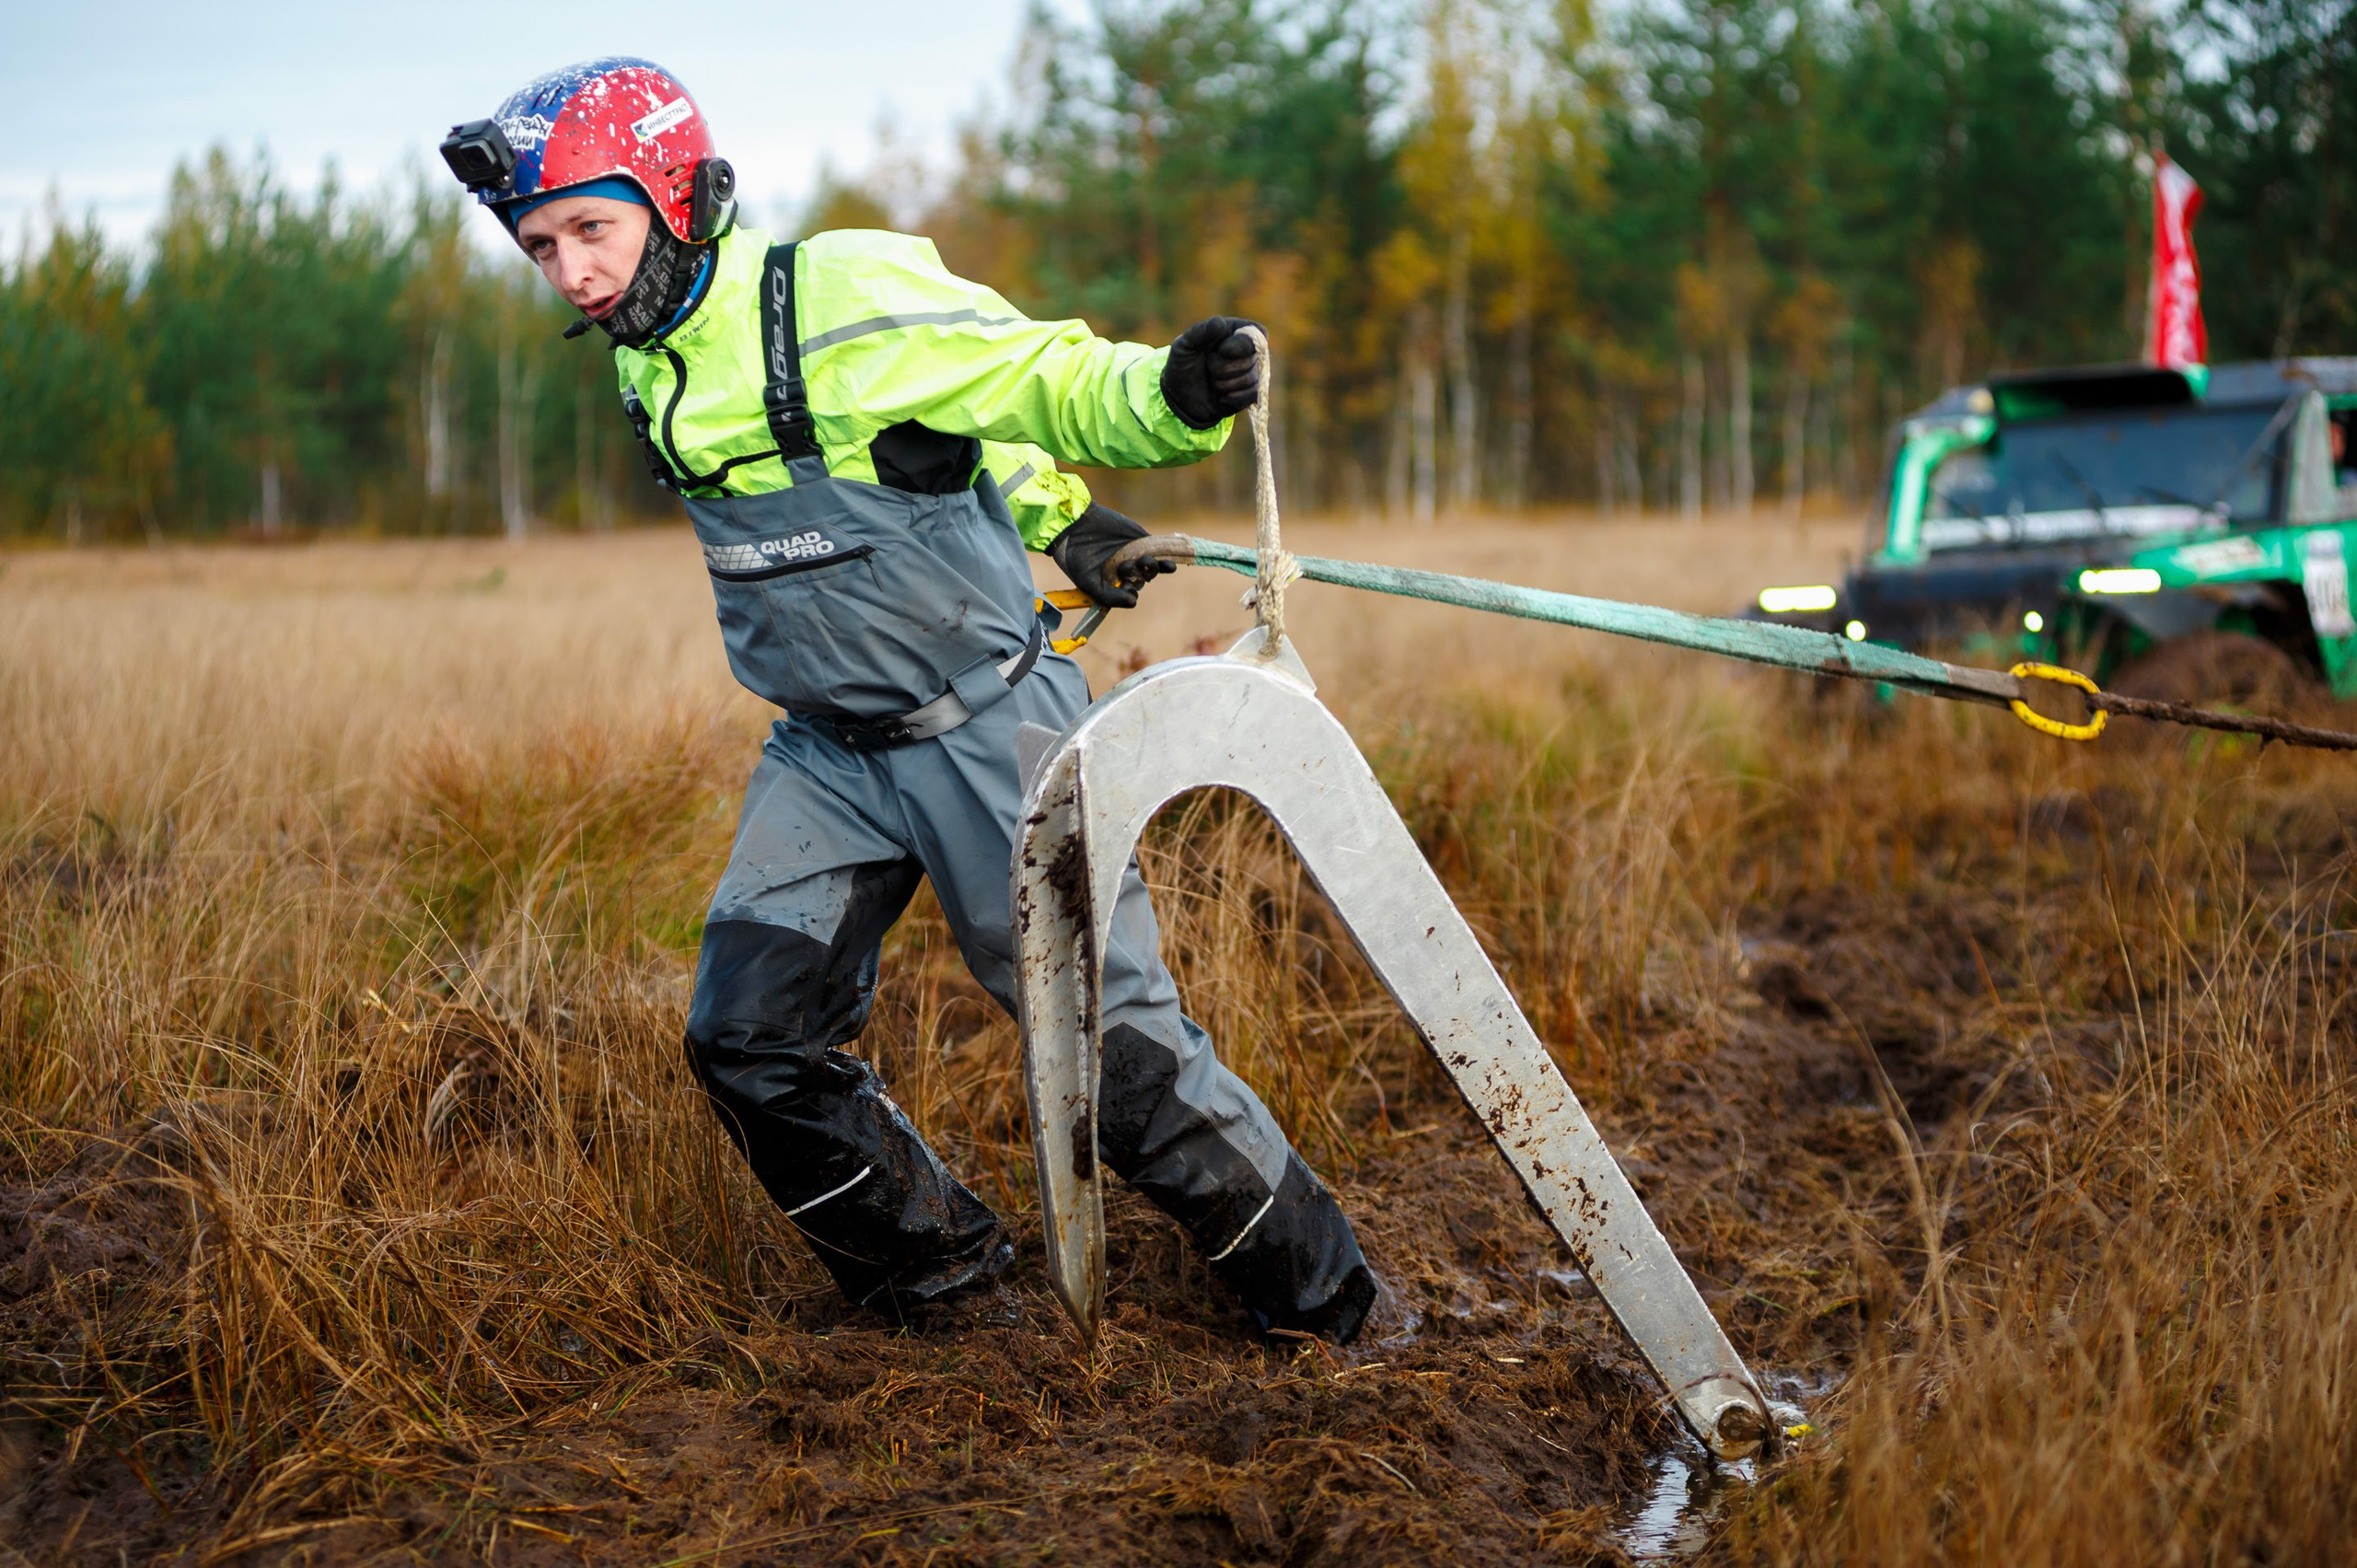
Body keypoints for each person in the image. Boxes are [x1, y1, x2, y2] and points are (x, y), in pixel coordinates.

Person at [440, 59, 1376, 1342]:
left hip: (989, 734)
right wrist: (1050, 509)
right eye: (540, 248)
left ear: (680, 196)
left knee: (1118, 1068)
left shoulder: (841, 292)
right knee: (749, 1040)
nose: (574, 278)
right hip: (827, 758)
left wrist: (1165, 398)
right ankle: (948, 1288)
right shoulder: (646, 363)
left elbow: (1020, 376)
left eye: (590, 231)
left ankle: (1340, 1319)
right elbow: (926, 441)